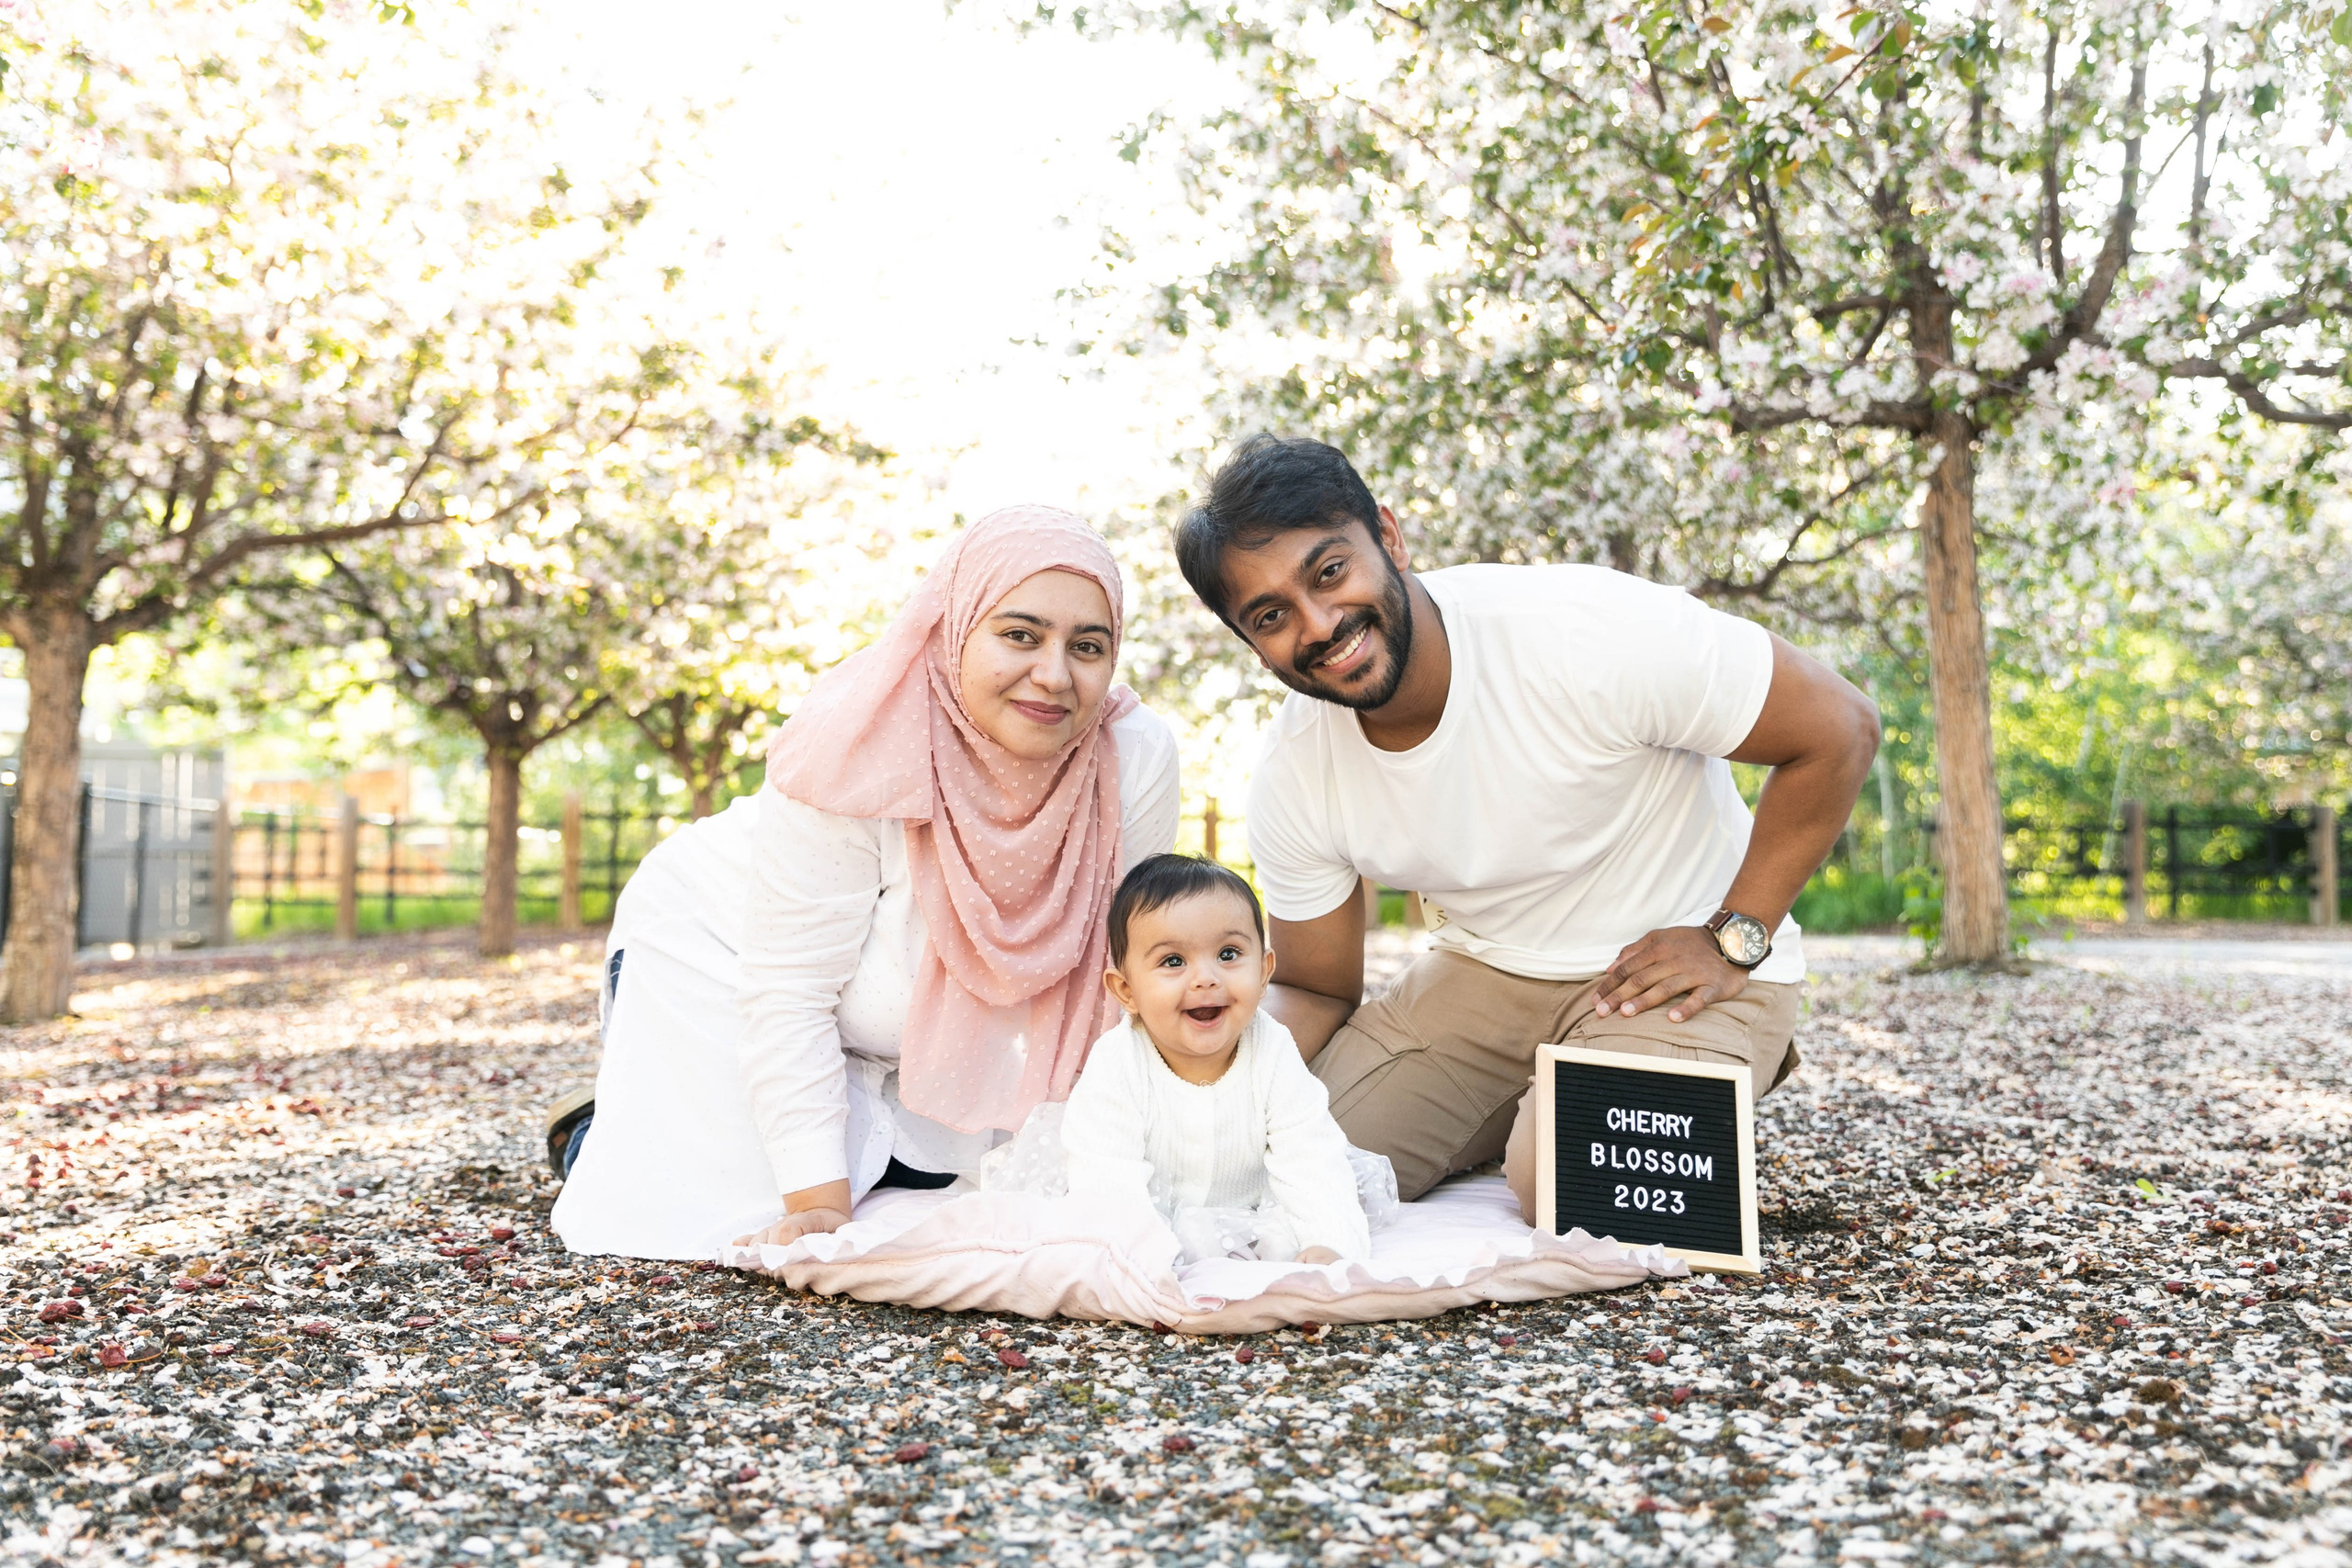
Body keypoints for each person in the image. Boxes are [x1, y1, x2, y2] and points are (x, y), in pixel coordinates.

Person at [1172, 436, 1881, 1217]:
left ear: (1389, 536)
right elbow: (1312, 985)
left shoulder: (1582, 630)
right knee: (1278, 1168)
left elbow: (1840, 727)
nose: (1320, 623)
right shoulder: (1294, 770)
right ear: (1251, 643)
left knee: (1567, 1181)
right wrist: (1203, 1090)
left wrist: (1734, 936)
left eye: (1330, 571)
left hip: (1677, 962)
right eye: (1271, 615)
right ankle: (1544, 1094)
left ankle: (1718, 1055)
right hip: (1484, 977)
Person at [547, 505, 1182, 1259]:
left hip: (906, 1020)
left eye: (1088, 645)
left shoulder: (1131, 757)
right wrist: (816, 1207)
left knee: (987, 1190)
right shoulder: (859, 745)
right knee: (726, 1215)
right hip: (721, 951)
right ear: (956, 627)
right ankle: (609, 1127)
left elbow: (1123, 974)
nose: (1054, 673)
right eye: (1020, 633)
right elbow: (788, 993)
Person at [1048, 852, 1373, 1266]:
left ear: (1264, 970)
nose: (1206, 978)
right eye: (1173, 961)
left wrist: (1330, 1241)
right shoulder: (1117, 1062)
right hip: (1142, 1213)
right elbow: (1108, 1175)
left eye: (1228, 954)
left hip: (1249, 1213)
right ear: (1126, 991)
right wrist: (1135, 1256)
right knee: (1080, 1233)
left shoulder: (1272, 1048)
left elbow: (1310, 1156)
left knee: (1303, 1225)